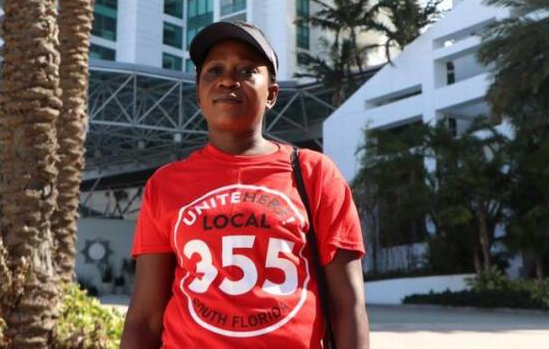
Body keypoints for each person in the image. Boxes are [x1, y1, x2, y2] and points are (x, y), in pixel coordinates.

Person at [121, 20, 370, 348]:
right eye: (214, 71)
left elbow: (347, 307)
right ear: (199, 92)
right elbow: (145, 318)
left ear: (272, 94)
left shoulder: (315, 174)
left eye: (247, 70)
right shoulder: (165, 184)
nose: (227, 80)